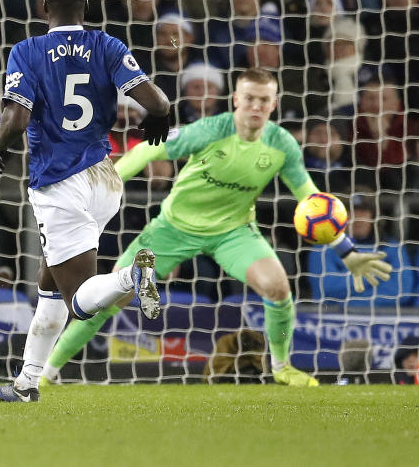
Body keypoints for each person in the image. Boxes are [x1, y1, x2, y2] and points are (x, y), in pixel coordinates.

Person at [41, 68, 394, 388]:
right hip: (173, 228)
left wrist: (347, 251)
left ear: (273, 104)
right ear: (237, 99)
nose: (256, 106)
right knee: (113, 297)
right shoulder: (210, 130)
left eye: (264, 100)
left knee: (277, 287)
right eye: (250, 98)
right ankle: (47, 370)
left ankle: (282, 366)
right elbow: (148, 152)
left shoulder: (281, 144)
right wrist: (107, 186)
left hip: (234, 232)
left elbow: (314, 203)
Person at [0, 0, 172, 402]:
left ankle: (130, 276)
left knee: (79, 300)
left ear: (44, 7)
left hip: (59, 182)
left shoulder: (27, 51)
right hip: (105, 179)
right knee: (50, 283)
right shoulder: (107, 45)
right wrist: (157, 116)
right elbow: (158, 101)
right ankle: (27, 383)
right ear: (86, 8)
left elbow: (17, 118)